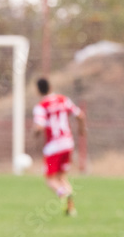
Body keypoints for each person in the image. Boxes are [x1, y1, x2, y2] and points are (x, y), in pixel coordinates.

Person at [32, 77, 85, 216]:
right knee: (62, 177)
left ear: (38, 90)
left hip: (53, 147)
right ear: (50, 86)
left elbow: (39, 126)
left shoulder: (41, 106)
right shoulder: (63, 100)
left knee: (50, 180)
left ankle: (63, 194)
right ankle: (71, 210)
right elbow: (80, 115)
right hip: (68, 143)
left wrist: (35, 133)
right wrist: (81, 130)